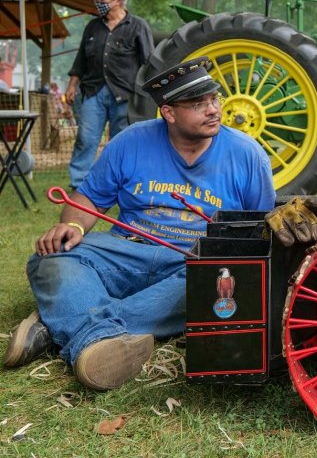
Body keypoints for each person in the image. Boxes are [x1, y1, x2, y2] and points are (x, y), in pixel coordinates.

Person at [2, 57, 277, 391]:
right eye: (198, 104)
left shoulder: (248, 154)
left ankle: (58, 324)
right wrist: (72, 228)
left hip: (193, 262)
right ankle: (97, 336)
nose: (213, 109)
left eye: (214, 99)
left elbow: (257, 230)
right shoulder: (130, 141)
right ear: (169, 112)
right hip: (126, 251)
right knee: (53, 256)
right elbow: (88, 198)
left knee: (217, 286)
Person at [66, 0, 154, 190]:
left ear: (118, 1)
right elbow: (80, 60)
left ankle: (120, 183)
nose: (97, 3)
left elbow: (149, 62)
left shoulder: (138, 26)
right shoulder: (92, 26)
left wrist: (147, 94)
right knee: (85, 138)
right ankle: (79, 185)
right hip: (93, 91)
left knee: (120, 142)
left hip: (124, 93)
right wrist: (72, 85)